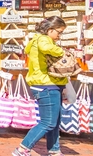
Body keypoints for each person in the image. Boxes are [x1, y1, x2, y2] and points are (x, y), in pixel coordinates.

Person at [12, 16, 69, 156]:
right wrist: (63, 52)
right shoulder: (43, 39)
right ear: (50, 30)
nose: (59, 36)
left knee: (54, 122)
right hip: (46, 84)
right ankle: (22, 149)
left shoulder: (37, 40)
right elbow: (46, 47)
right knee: (48, 122)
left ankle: (54, 150)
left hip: (49, 84)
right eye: (59, 32)